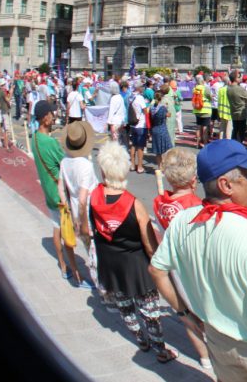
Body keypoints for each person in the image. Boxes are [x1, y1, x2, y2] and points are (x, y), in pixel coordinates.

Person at [149, 139, 247, 380]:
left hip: (217, 340)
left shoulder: (182, 221)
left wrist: (185, 314)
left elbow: (157, 270)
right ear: (226, 185)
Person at [89, 141, 178, 362]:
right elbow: (149, 243)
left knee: (124, 305)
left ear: (103, 170)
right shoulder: (133, 204)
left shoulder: (93, 198)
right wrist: (159, 265)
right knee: (150, 310)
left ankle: (140, 338)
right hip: (136, 265)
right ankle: (160, 349)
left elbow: (88, 227)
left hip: (111, 261)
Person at [150, 147, 212, 369]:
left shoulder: (159, 203)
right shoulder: (197, 206)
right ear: (193, 179)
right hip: (197, 267)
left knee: (186, 311)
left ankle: (203, 356)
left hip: (175, 266)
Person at [31, 100, 83, 286]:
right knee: (66, 232)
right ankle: (76, 271)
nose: (53, 117)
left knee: (56, 228)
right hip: (60, 194)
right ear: (45, 118)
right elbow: (67, 164)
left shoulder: (35, 138)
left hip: (48, 192)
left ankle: (62, 265)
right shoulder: (50, 143)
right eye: (51, 114)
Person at [57, 120, 98, 290]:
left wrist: (68, 207)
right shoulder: (86, 166)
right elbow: (83, 198)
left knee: (89, 248)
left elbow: (60, 188)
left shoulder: (65, 162)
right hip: (88, 213)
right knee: (95, 252)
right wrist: (83, 223)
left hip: (73, 210)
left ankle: (98, 281)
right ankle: (102, 286)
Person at [150, 86, 173, 176]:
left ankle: (159, 168)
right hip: (162, 129)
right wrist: (167, 107)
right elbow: (168, 115)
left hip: (155, 129)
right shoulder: (162, 108)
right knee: (164, 150)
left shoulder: (152, 108)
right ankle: (163, 168)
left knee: (158, 151)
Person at [226, 70, 247, 144]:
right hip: (241, 113)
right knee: (241, 132)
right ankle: (240, 147)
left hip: (233, 112)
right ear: (235, 78)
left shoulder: (228, 88)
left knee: (235, 129)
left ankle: (233, 145)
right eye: (239, 77)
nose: (241, 78)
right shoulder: (240, 89)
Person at [128, 82, 149, 174]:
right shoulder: (140, 98)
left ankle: (132, 165)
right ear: (139, 88)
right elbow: (145, 110)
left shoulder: (131, 96)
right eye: (142, 86)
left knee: (133, 144)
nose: (143, 88)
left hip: (132, 123)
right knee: (140, 146)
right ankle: (140, 166)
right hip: (140, 124)